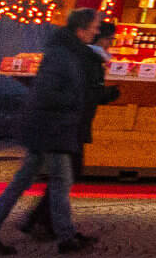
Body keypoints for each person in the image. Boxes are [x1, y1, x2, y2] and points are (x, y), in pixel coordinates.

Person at [0, 9, 105, 255]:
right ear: (81, 28)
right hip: (51, 129)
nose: (97, 31)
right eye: (95, 26)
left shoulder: (66, 51)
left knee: (30, 183)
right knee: (57, 183)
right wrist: (75, 101)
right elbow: (47, 93)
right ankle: (64, 238)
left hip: (48, 128)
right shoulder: (63, 54)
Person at [21, 19, 120, 237]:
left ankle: (40, 220)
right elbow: (87, 93)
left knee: (62, 174)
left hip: (65, 123)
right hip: (71, 124)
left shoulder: (76, 56)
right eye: (109, 39)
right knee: (67, 174)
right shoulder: (90, 60)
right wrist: (111, 93)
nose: (110, 44)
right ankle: (47, 224)